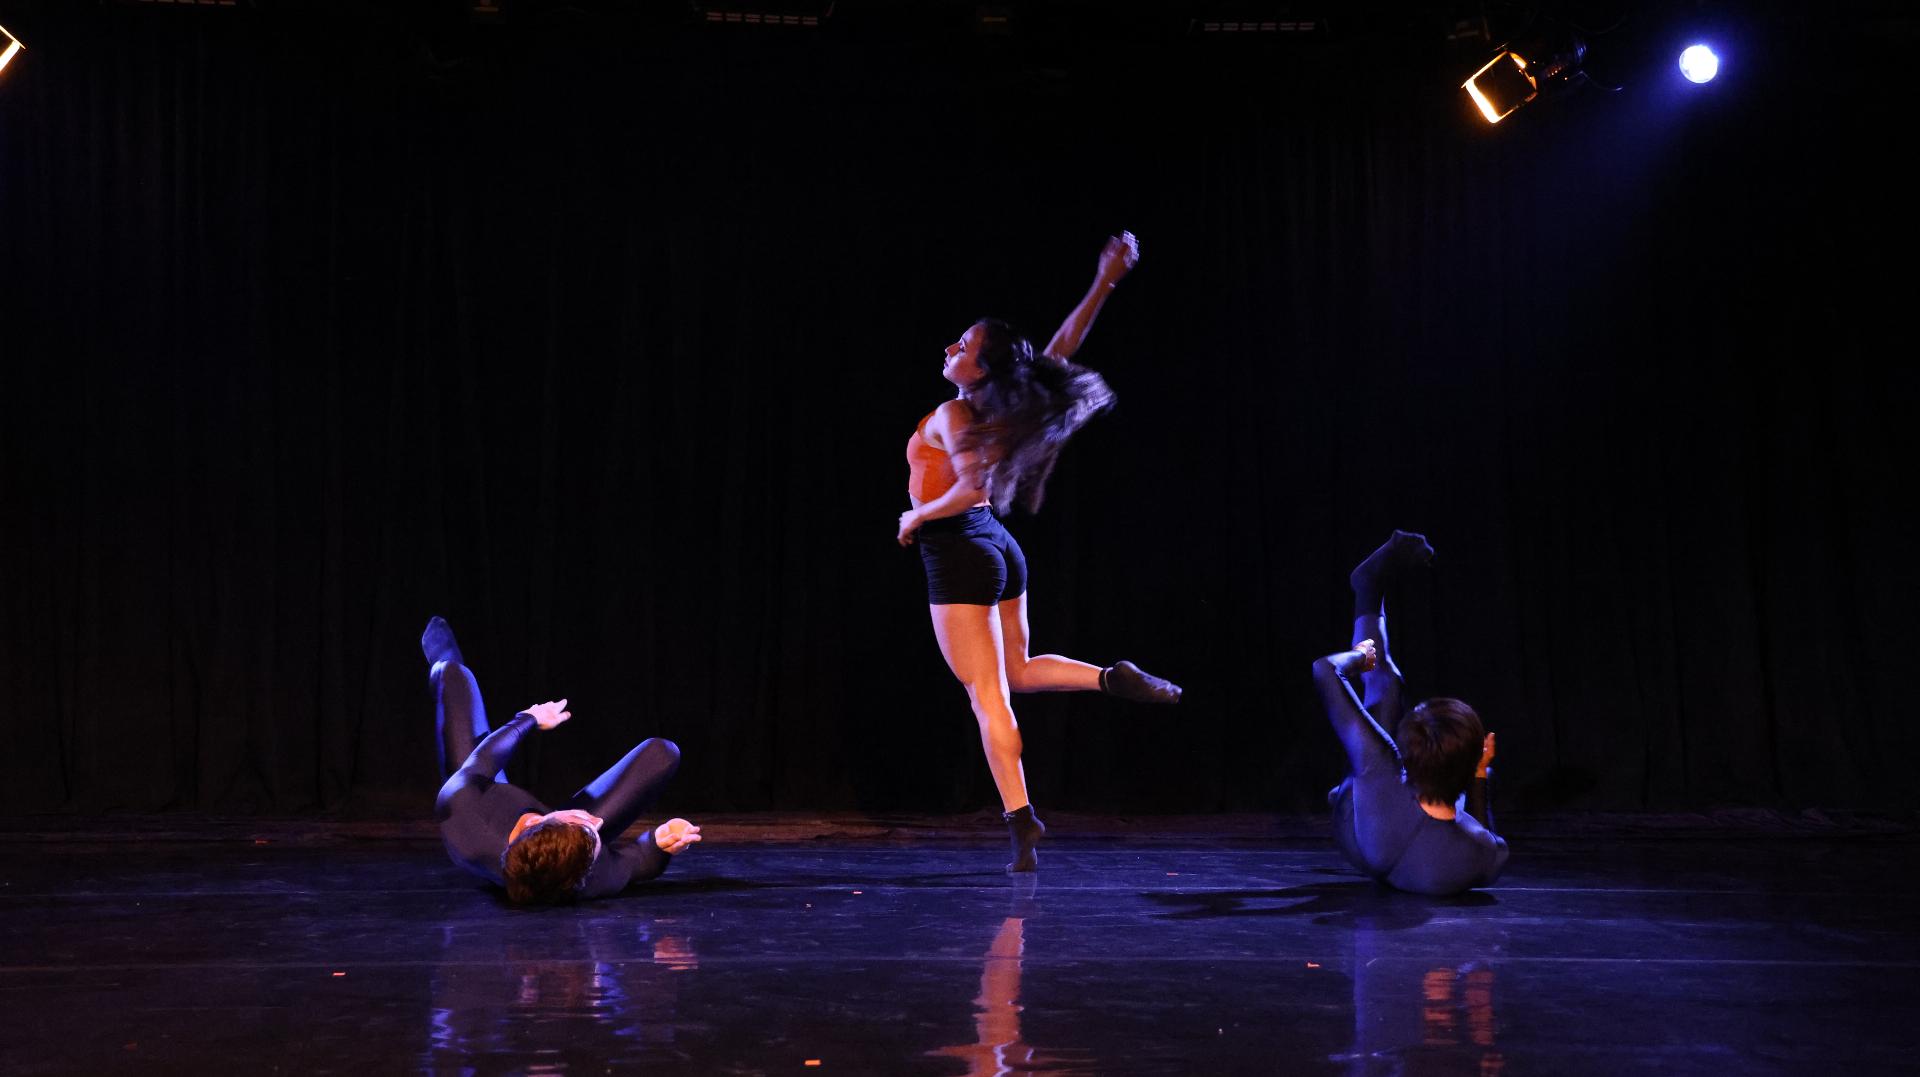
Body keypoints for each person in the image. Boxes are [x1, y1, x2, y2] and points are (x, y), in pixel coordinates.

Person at [896, 232, 1182, 874]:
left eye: (963, 347)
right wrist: (1105, 280)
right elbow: (1061, 350)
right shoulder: (1008, 407)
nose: (950, 349)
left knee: (987, 694)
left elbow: (971, 488)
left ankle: (1021, 821)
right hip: (999, 549)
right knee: (1017, 672)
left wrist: (918, 514)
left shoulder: (954, 415)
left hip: (959, 551)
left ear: (981, 370)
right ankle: (1109, 678)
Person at [423, 616, 702, 904]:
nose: (598, 820)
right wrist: (661, 842)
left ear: (542, 821)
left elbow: (481, 762)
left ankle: (441, 663)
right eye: (595, 835)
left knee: (455, 677)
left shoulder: (466, 817)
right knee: (662, 755)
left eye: (584, 823)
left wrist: (529, 718)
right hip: (546, 838)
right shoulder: (586, 875)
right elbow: (635, 864)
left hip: (477, 789)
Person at [1312, 531, 1507, 895]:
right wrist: (1480, 773)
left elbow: (1325, 670)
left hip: (1355, 830)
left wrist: (1361, 657)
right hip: (1400, 846)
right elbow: (1486, 839)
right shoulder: (1485, 857)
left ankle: (1368, 588)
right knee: (1388, 702)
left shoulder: (1381, 767)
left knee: (1386, 689)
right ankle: (1368, 585)